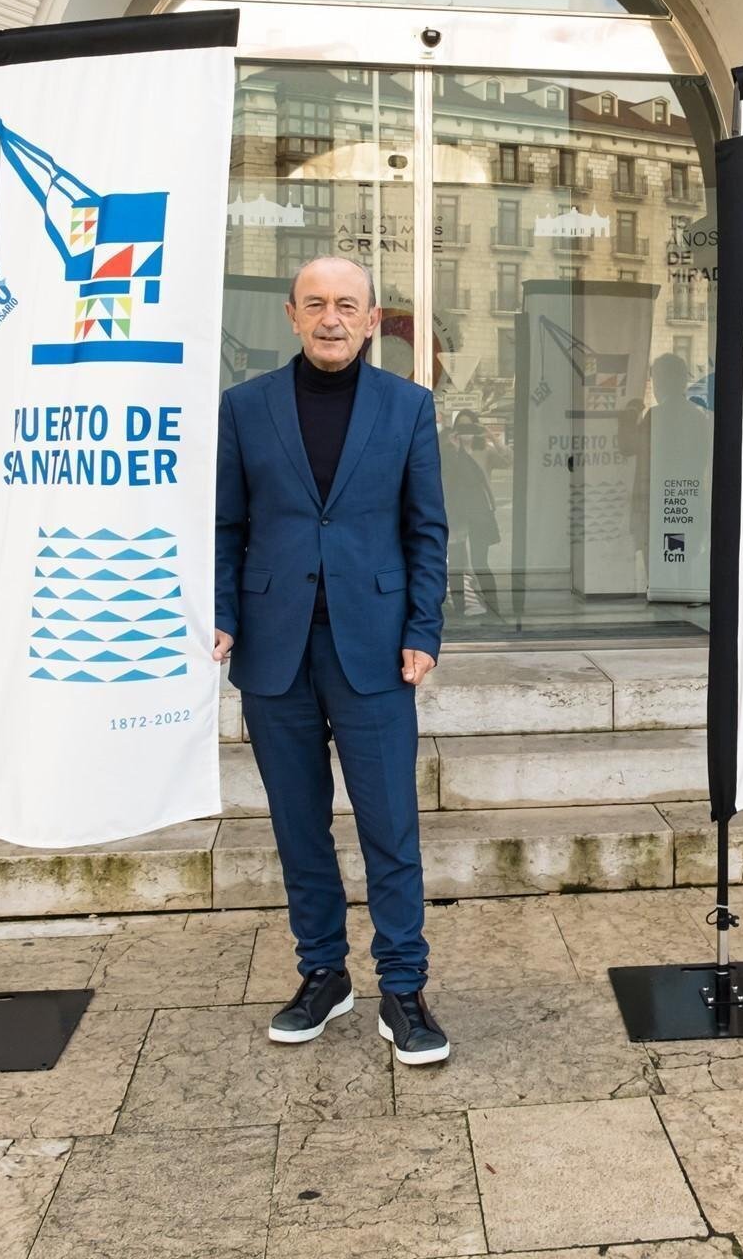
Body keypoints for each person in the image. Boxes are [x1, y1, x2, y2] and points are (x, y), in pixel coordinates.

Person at [213, 256, 451, 1064]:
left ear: (372, 319)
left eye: (347, 305)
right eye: (315, 303)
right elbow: (226, 526)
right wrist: (222, 616)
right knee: (298, 826)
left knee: (390, 825)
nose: (331, 318)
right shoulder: (245, 408)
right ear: (291, 315)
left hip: (376, 649)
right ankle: (323, 974)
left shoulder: (407, 406)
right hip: (274, 649)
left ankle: (403, 986)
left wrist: (423, 629)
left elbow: (426, 529)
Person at [439, 408, 503, 617]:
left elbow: (509, 459)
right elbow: (448, 476)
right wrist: (455, 447)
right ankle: (459, 609)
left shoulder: (483, 450)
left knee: (479, 562)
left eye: (469, 426)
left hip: (478, 512)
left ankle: (494, 608)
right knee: (456, 564)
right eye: (461, 426)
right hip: (456, 513)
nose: (465, 431)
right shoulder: (449, 450)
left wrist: (491, 436)